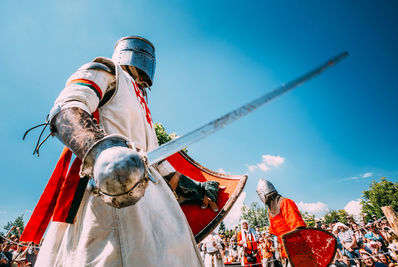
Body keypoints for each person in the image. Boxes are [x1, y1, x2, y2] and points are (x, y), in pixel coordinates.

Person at [24, 36, 221, 266]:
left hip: (159, 210)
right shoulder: (109, 70)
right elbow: (67, 108)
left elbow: (162, 168)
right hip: (112, 191)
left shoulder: (143, 105)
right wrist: (103, 154)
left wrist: (197, 190)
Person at [256, 179, 306, 267]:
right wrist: (276, 249)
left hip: (296, 249)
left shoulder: (285, 202)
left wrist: (295, 248)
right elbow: (274, 232)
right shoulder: (270, 210)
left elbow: (297, 227)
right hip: (285, 249)